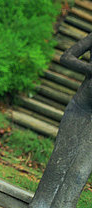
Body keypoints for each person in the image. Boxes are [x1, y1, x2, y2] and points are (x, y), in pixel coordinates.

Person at [29, 31, 92, 208]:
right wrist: (90, 68)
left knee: (80, 171)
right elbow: (66, 57)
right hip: (80, 108)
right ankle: (39, 204)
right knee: (59, 161)